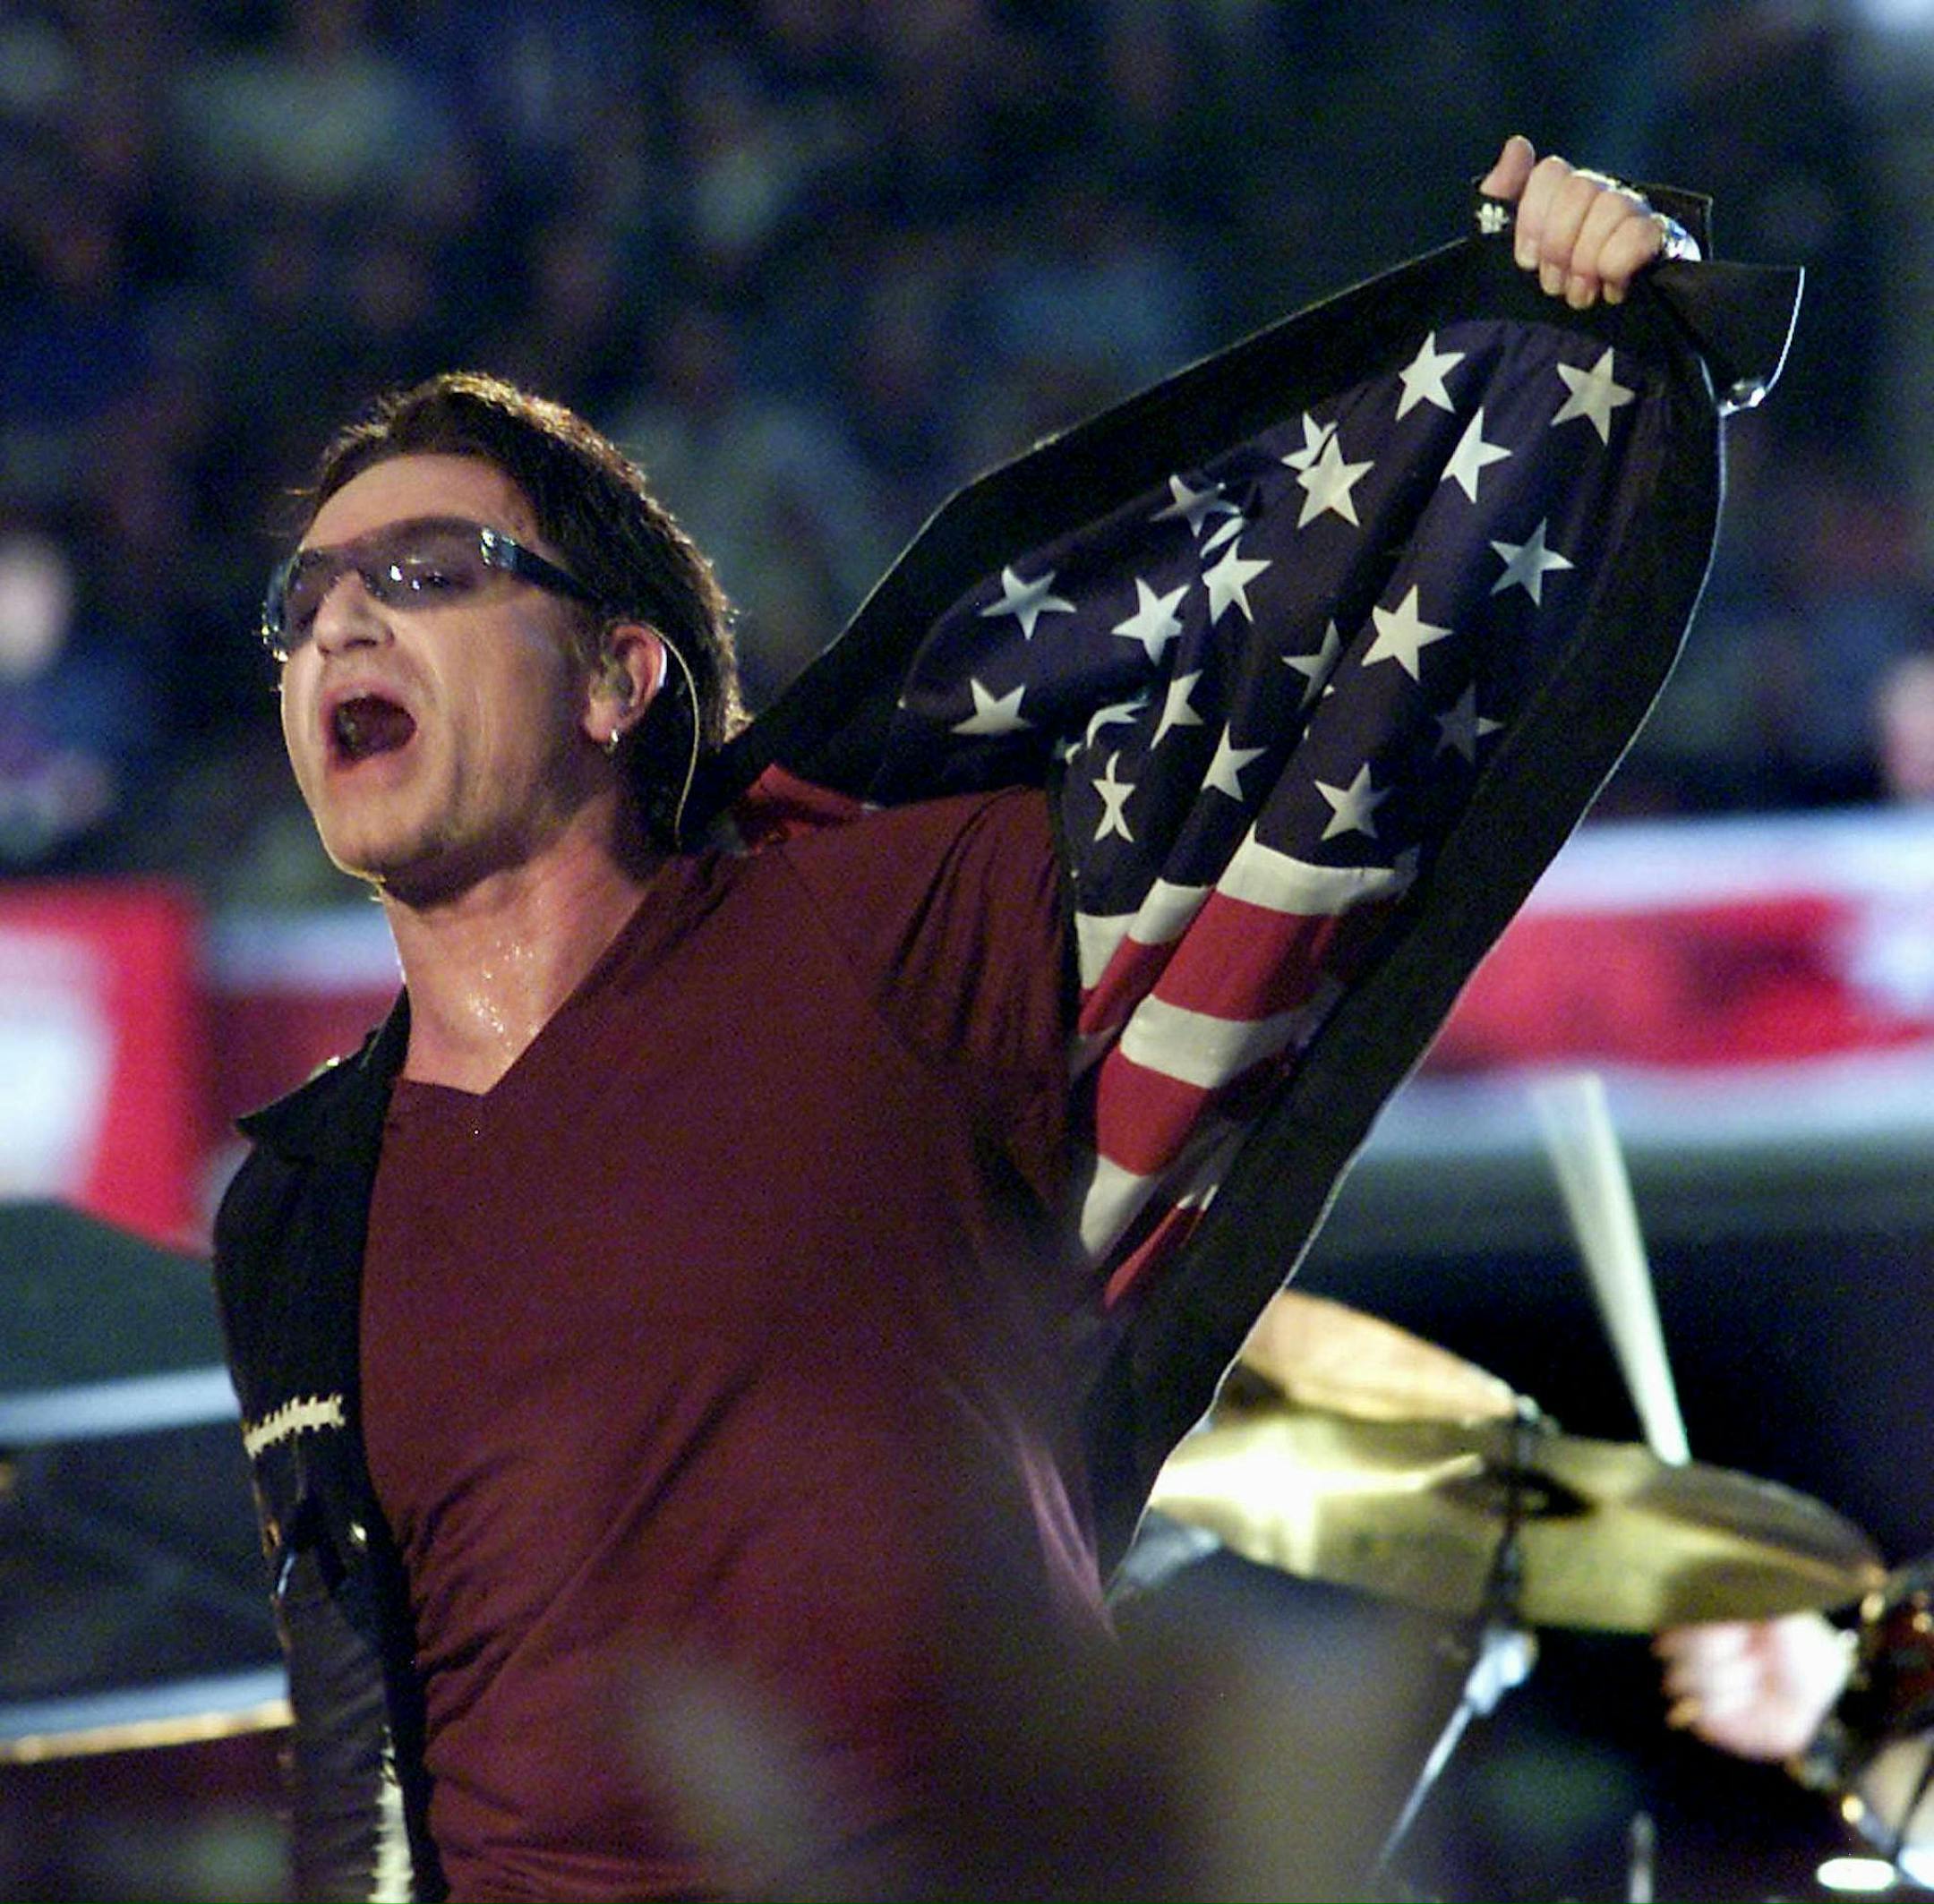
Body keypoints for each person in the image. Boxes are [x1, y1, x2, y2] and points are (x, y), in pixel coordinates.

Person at [211, 136, 1698, 1901]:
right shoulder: (298, 1202)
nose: (341, 620)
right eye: (300, 605)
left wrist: (1556, 322)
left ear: (624, 677)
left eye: (432, 568)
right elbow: (360, 1734)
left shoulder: (873, 924)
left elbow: (1309, 650)